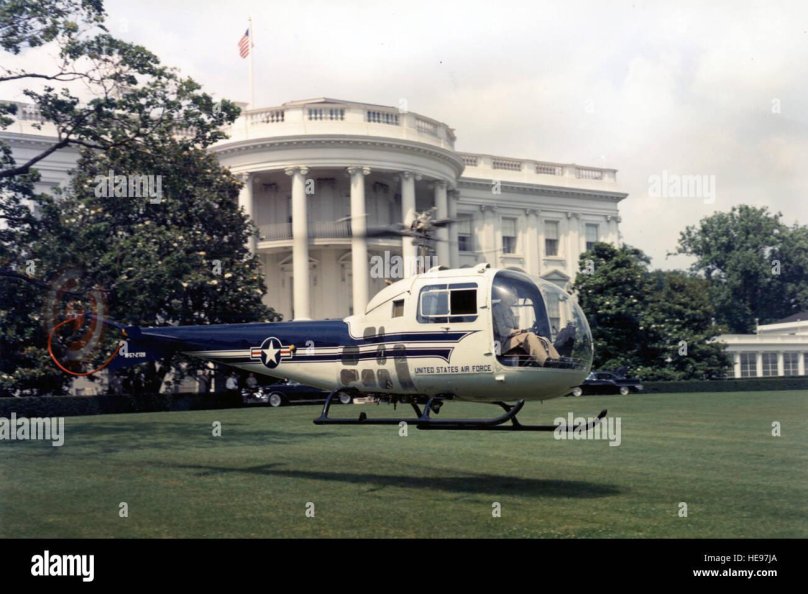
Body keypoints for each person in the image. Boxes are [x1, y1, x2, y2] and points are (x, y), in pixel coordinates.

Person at [492, 286, 560, 366]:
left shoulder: (510, 311)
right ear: (505, 296)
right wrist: (520, 331)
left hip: (511, 340)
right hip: (503, 343)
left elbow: (515, 329)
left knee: (543, 339)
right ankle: (545, 361)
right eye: (513, 294)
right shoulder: (497, 309)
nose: (515, 297)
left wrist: (527, 330)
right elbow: (502, 331)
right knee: (529, 336)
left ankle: (558, 360)